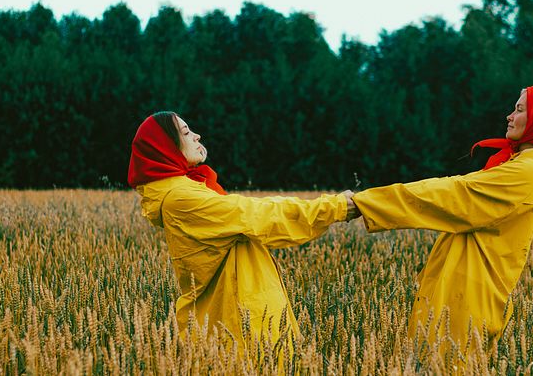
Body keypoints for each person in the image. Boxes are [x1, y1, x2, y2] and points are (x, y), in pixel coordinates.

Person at [351, 86, 533, 352]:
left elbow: (455, 194)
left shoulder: (527, 172)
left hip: (464, 300)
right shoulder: (525, 167)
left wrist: (366, 203)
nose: (509, 116)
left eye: (519, 110)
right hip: (468, 294)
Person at [127, 111, 360, 349]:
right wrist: (335, 207)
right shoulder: (182, 199)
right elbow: (259, 215)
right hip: (238, 324)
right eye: (186, 132)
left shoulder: (188, 191)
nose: (197, 136)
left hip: (239, 316)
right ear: (166, 149)